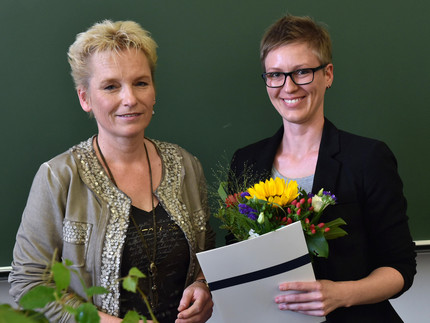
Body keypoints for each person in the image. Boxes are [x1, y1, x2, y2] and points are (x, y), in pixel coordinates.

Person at [9, 20, 215, 323]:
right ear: (85, 98)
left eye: (141, 82)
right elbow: (28, 284)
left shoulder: (186, 165)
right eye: (111, 86)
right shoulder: (58, 177)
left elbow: (206, 251)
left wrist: (203, 285)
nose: (130, 98)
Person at [229, 15, 416, 322]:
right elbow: (239, 257)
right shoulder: (246, 162)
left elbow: (400, 268)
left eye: (302, 72)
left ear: (327, 74)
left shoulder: (368, 158)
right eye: (275, 75)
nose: (288, 87)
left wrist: (341, 294)